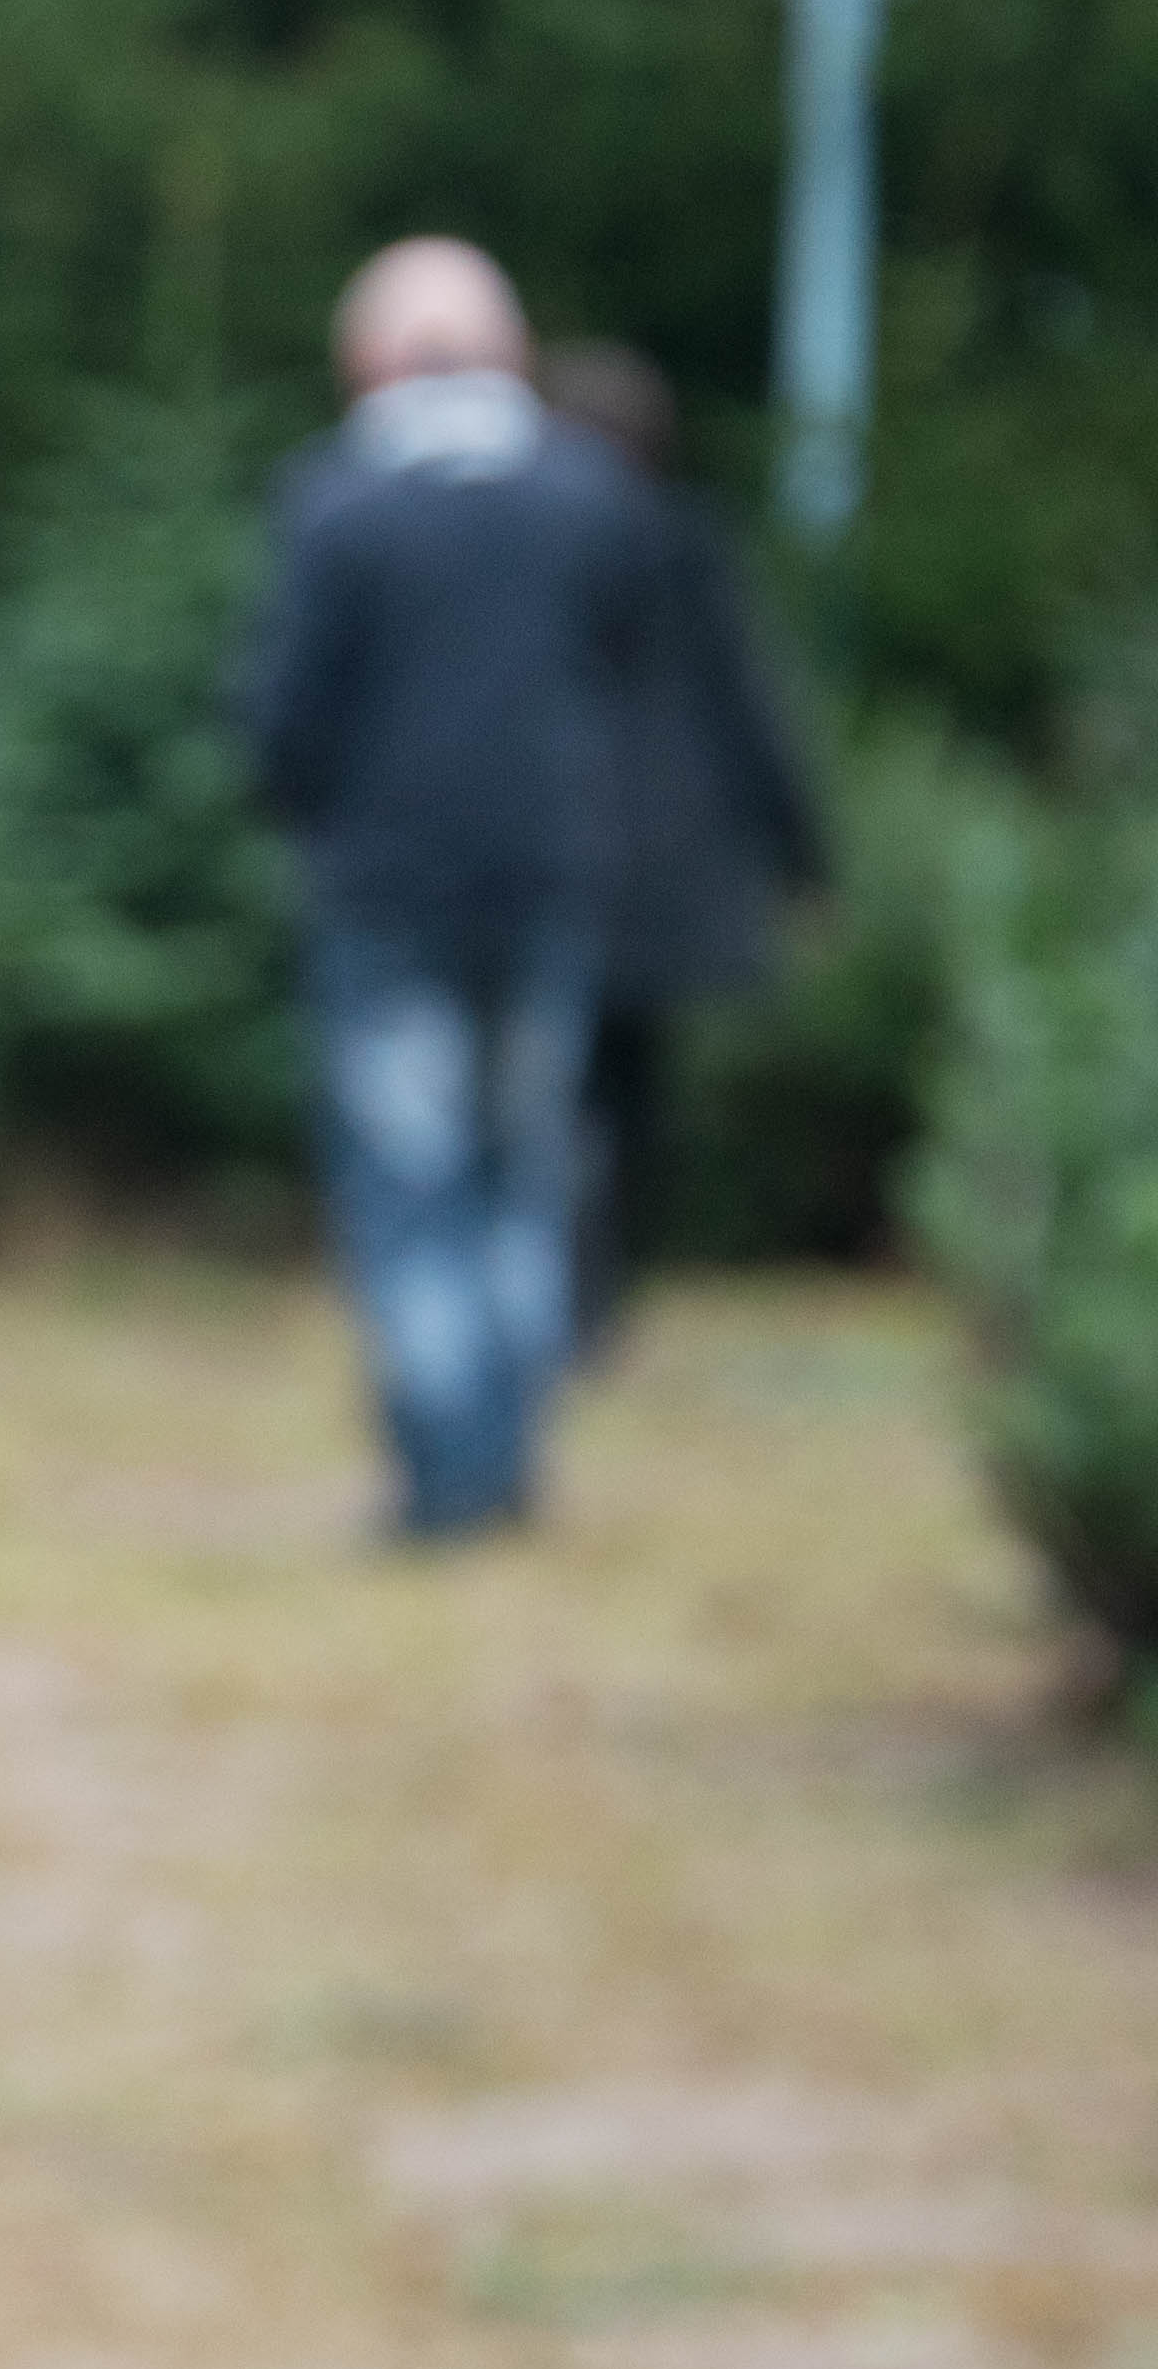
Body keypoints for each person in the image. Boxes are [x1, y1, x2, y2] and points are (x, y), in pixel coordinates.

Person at [233, 237, 663, 1542]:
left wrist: (304, 814)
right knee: (525, 1166)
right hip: (549, 885)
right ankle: (509, 1452)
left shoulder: (338, 500)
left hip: (388, 895)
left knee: (412, 1178)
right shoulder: (589, 496)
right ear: (511, 353)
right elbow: (633, 681)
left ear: (369, 361)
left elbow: (282, 721)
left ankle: (446, 1477)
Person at [537, 340, 831, 1350]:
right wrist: (804, 856)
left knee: (557, 1084)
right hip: (669, 867)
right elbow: (754, 711)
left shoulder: (536, 542)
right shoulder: (689, 544)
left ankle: (567, 1286)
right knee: (632, 1092)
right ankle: (602, 1290)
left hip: (563, 851)